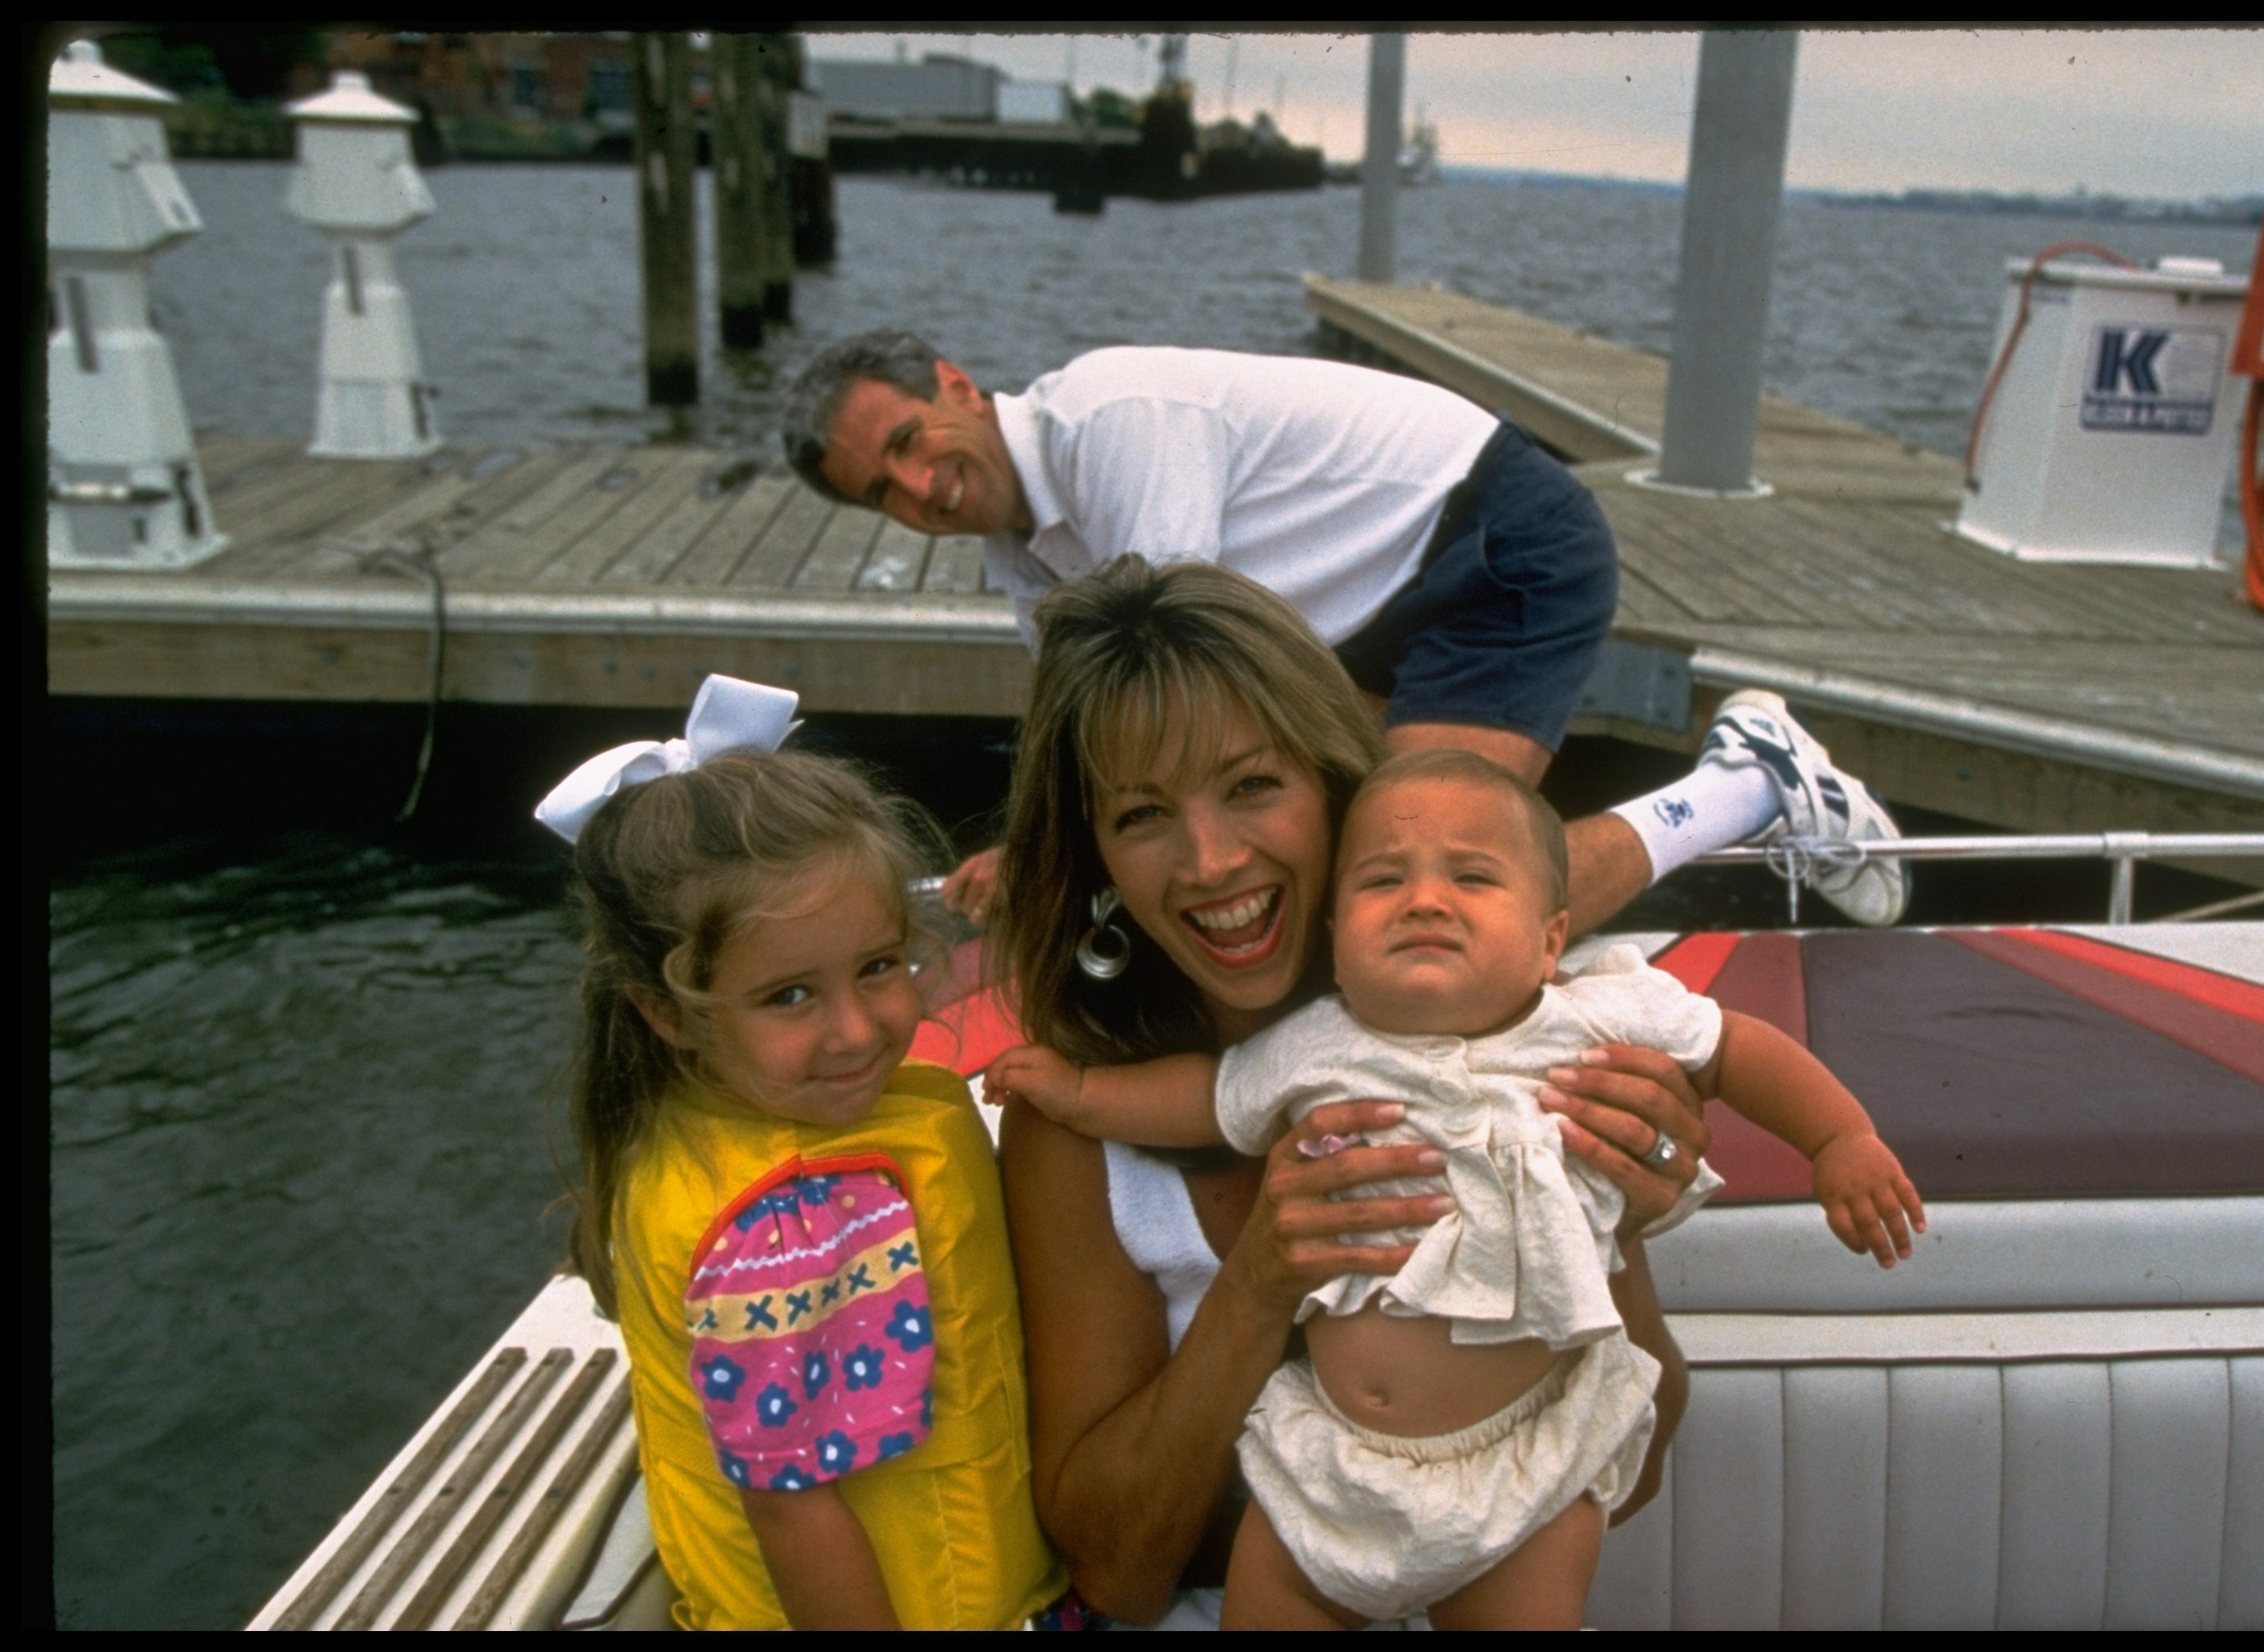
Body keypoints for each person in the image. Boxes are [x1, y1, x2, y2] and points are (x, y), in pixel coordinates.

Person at [990, 746, 1925, 1627]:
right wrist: (1077, 1092)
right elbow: (1206, 1096)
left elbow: (1735, 1046)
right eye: (1382, 880)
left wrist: (1840, 1137)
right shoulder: (1318, 1044)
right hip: (1332, 1465)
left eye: (1473, 879)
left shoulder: (1599, 1018)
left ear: (1552, 938)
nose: (1425, 899)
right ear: (1335, 934)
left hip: (1529, 1453)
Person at [982, 557, 1728, 1629]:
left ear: (1336, 787)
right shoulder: (1078, 1131)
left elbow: (1636, 1464)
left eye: (1252, 786)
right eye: (1144, 814)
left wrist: (1624, 1219)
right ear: (1098, 856)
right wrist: (1258, 1282)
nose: (1209, 862)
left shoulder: (1509, 1034)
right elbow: (1117, 1575)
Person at [779, 331, 1908, 936]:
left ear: (958, 385)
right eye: (884, 490)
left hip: (1488, 539)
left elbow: (1177, 691)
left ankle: (1751, 783)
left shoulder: (1116, 421)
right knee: (1322, 861)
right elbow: (1093, 738)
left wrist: (1054, 858)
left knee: (1438, 876)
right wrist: (1035, 846)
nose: (922, 486)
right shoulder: (1020, 559)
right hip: (1347, 623)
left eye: (915, 441)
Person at [536, 674, 1074, 1630]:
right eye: (790, 995)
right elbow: (792, 1507)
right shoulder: (794, 1219)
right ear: (668, 1012)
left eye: (877, 966)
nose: (859, 1027)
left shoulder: (702, 1117)